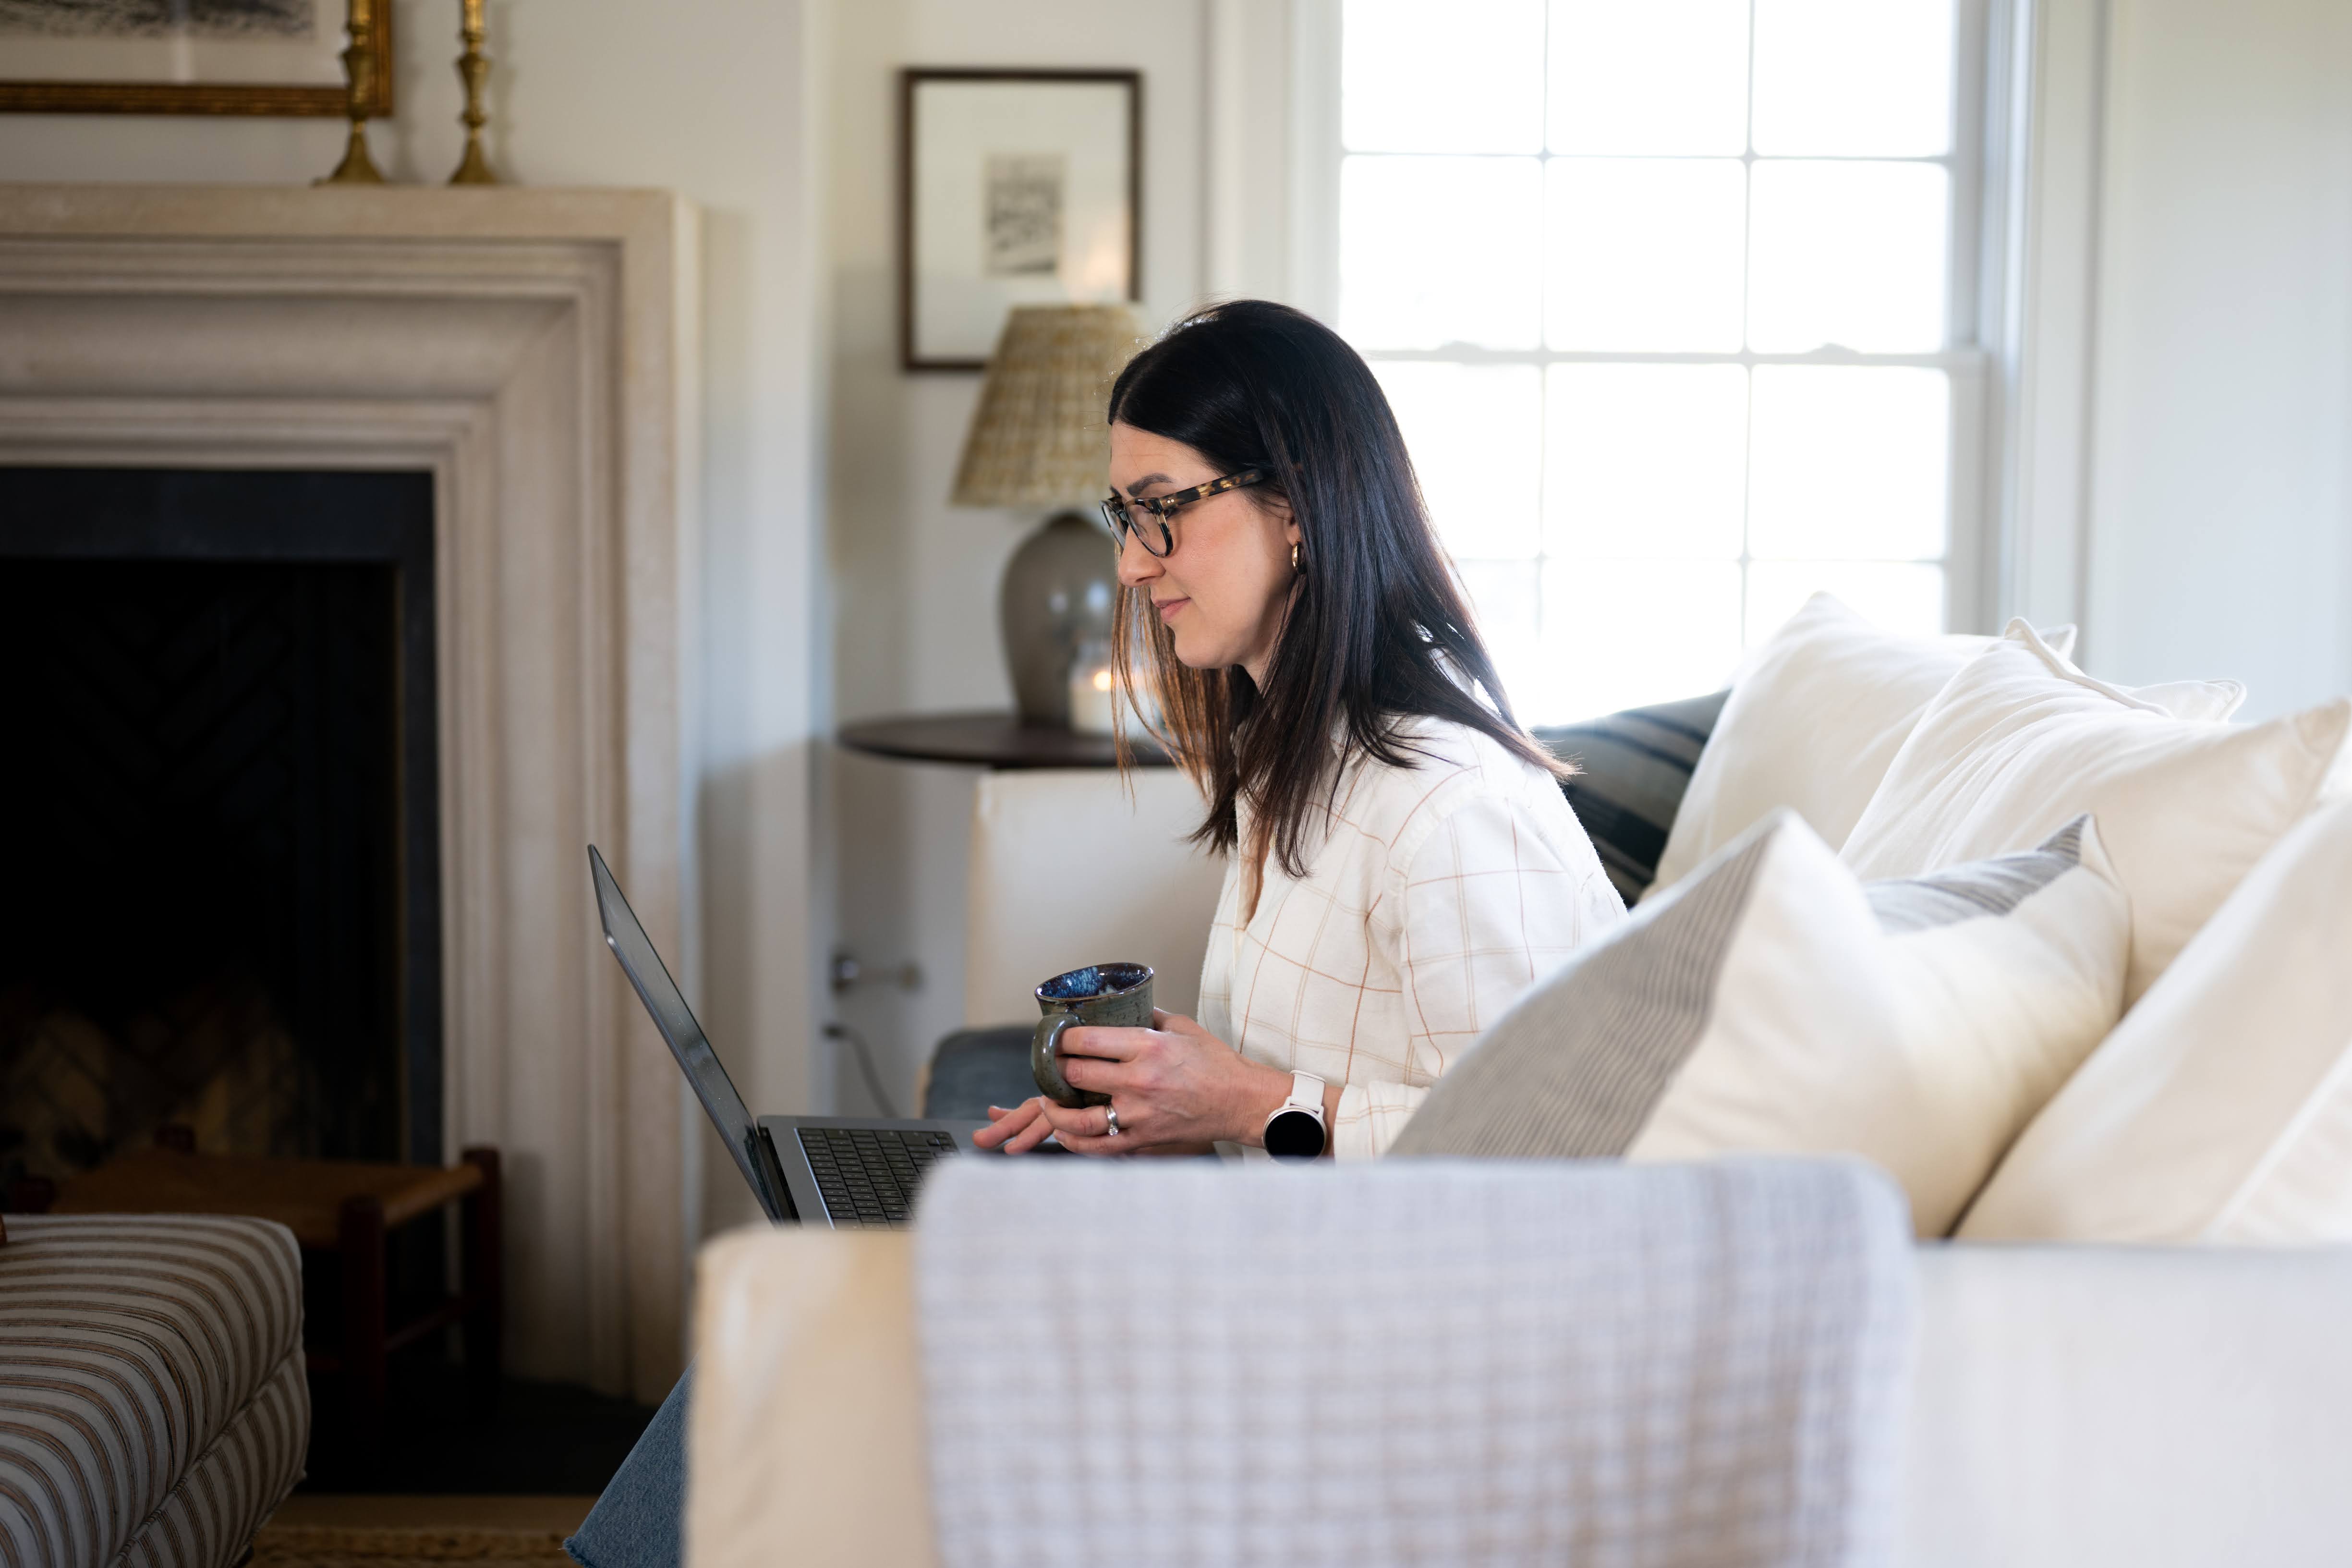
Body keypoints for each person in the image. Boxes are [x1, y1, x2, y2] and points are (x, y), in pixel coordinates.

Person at [563, 300, 1625, 1568]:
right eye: (1127, 515)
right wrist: (1171, 1098)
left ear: (1296, 506)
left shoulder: (1450, 805)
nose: (1132, 564)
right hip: (1272, 1248)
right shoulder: (1299, 753)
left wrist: (1250, 1105)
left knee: (840, 1307)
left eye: (1164, 510)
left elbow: (1554, 1165)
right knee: (866, 1254)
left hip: (1363, 1336)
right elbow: (1333, 1066)